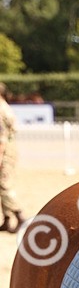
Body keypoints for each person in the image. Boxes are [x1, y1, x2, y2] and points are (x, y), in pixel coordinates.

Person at [0, 84, 25, 232]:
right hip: (9, 149)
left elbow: (1, 138)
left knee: (4, 184)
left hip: (4, 151)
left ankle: (19, 214)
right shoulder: (5, 107)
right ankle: (7, 218)